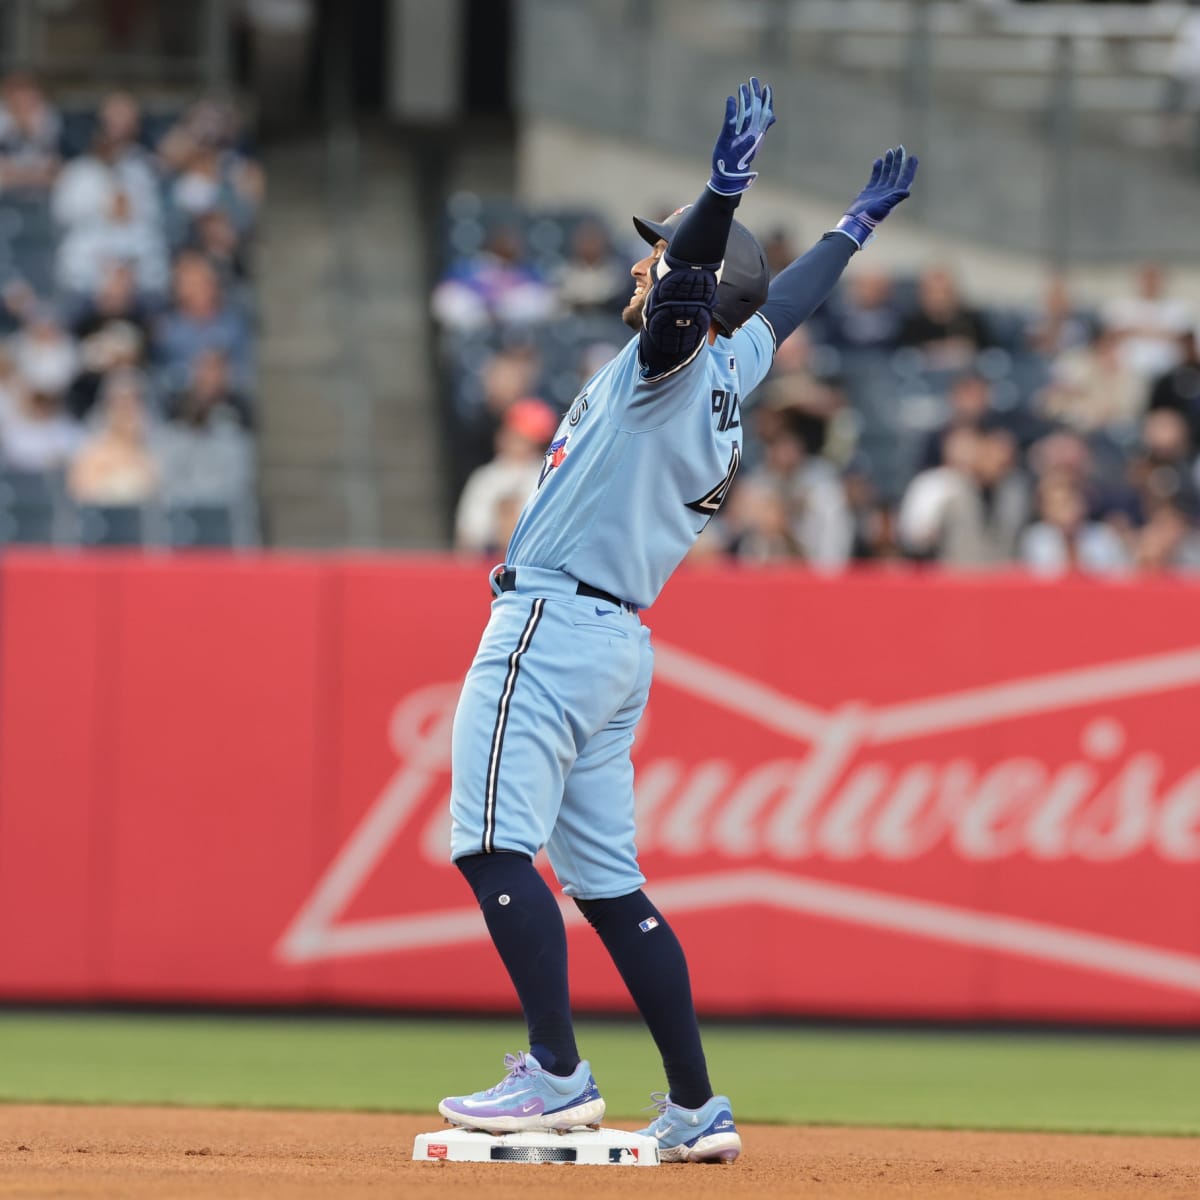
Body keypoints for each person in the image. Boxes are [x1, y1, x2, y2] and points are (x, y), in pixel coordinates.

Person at [436, 78, 917, 1162]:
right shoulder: (731, 375)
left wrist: (724, 187)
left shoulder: (673, 361)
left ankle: (557, 1075)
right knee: (609, 886)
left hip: (551, 633)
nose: (649, 262)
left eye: (662, 257)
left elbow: (699, 287)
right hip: (617, 649)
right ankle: (697, 1108)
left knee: (489, 846)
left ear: (693, 299)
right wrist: (853, 226)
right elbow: (782, 304)